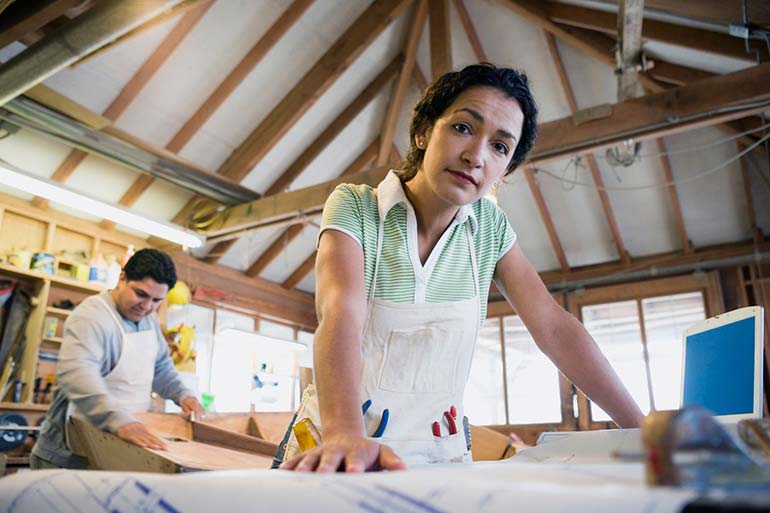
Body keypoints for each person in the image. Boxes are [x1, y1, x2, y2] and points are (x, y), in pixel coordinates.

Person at [280, 63, 643, 473]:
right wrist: (345, 434)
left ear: (504, 171)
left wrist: (641, 430)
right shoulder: (357, 208)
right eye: (463, 128)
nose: (475, 156)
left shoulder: (490, 229)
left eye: (500, 147)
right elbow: (340, 312)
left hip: (440, 458)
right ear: (423, 131)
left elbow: (554, 328)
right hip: (339, 445)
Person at [31, 249, 204, 469]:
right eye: (141, 294)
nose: (147, 306)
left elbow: (160, 369)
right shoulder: (92, 316)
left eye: (157, 300)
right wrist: (119, 421)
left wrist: (183, 395)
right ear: (122, 278)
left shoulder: (148, 320)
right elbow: (77, 374)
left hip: (114, 449)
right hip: (69, 456)